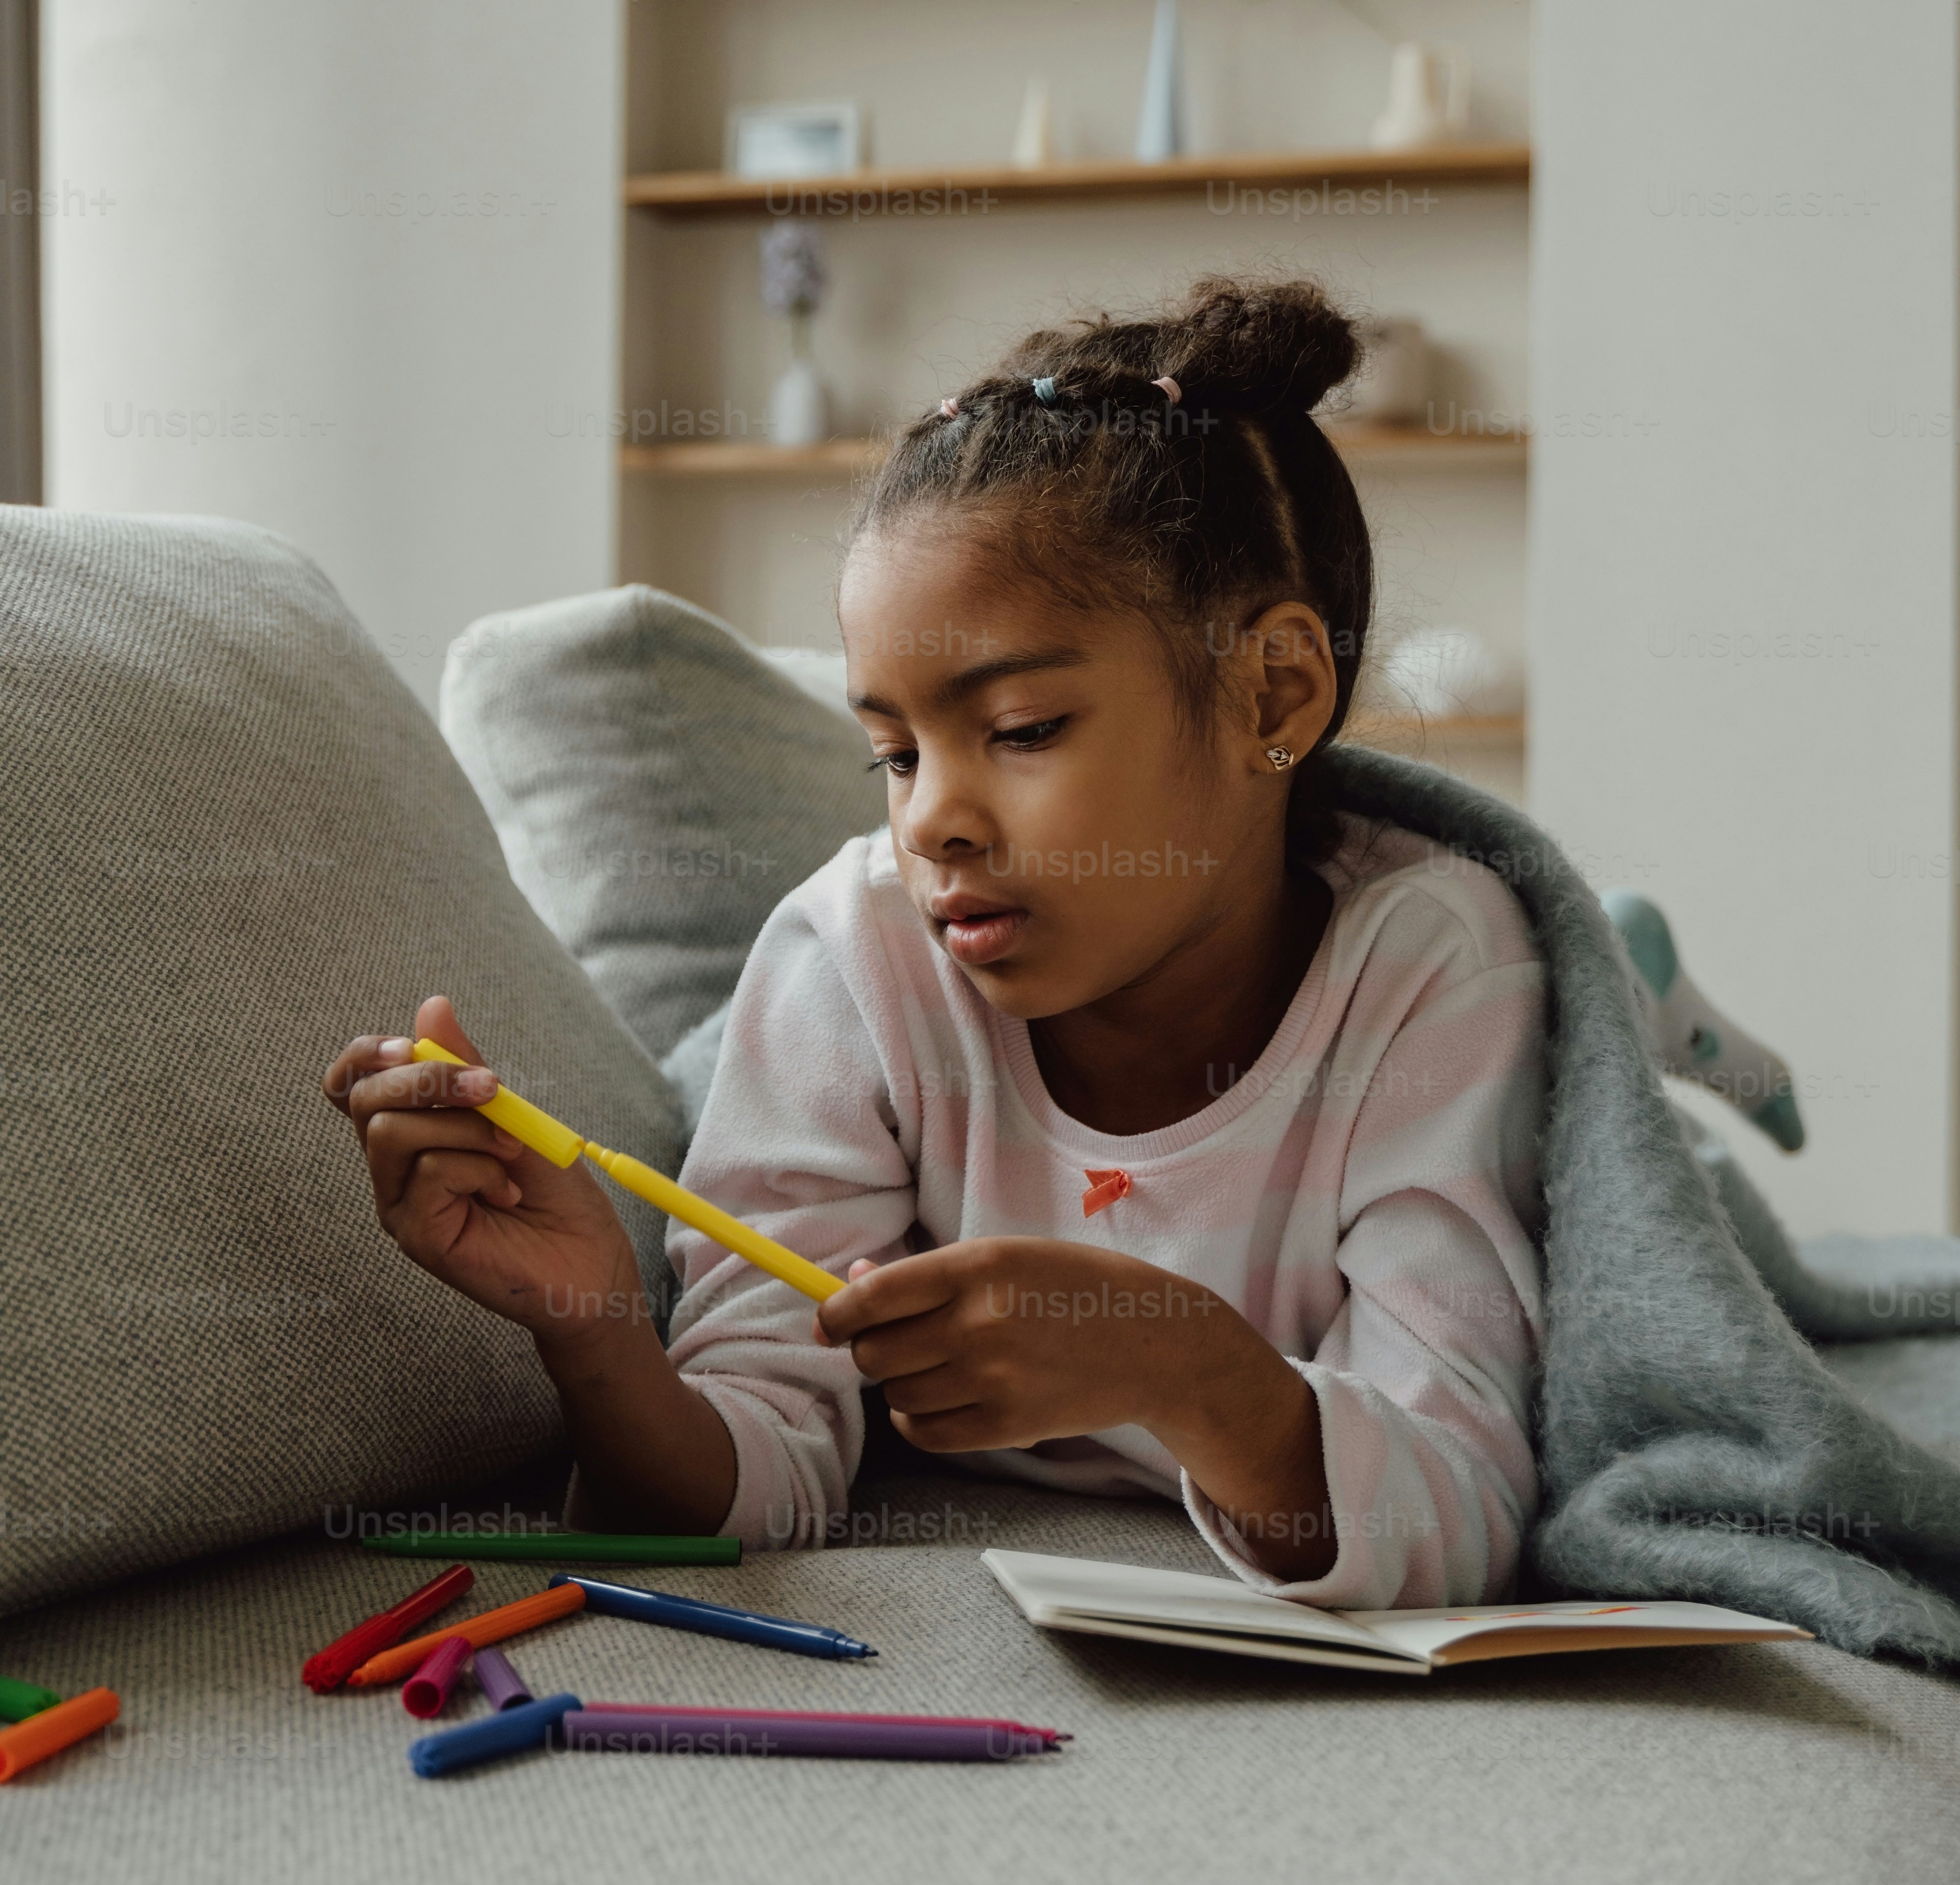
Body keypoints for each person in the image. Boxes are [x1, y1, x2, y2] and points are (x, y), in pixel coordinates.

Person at [323, 277, 1547, 1605]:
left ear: (1277, 690)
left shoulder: (1430, 964)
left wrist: (1190, 1368)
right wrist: (596, 1330)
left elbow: (1464, 1507)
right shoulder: (855, 952)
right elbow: (752, 1475)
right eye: (893, 757)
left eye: (1021, 730)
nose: (935, 825)